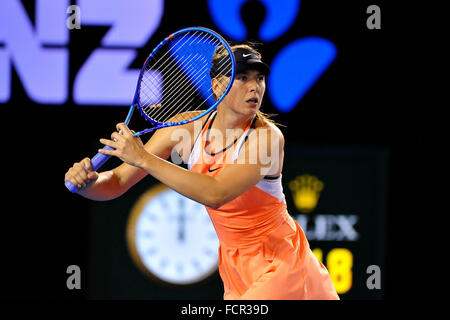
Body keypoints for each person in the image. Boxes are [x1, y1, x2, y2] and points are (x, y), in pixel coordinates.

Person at [64, 43, 339, 300]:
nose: (254, 87)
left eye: (260, 78)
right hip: (235, 269)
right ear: (217, 86)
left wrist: (144, 159)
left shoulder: (267, 139)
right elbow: (118, 181)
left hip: (283, 263)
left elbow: (216, 192)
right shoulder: (185, 129)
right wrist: (89, 183)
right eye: (243, 78)